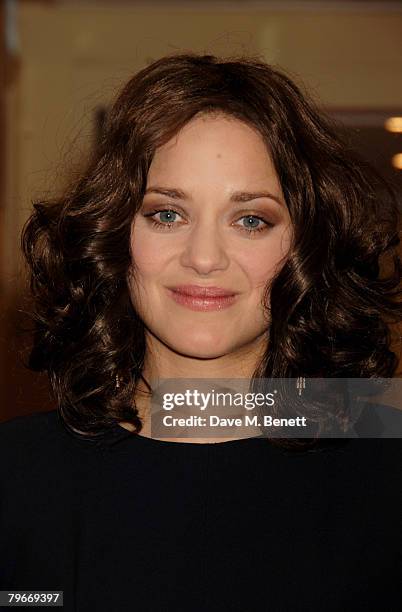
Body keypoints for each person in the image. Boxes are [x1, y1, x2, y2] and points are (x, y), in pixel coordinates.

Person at [0, 52, 401, 611]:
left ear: (304, 248)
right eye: (167, 214)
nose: (205, 258)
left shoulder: (383, 457)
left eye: (251, 219)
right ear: (114, 234)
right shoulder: (16, 476)